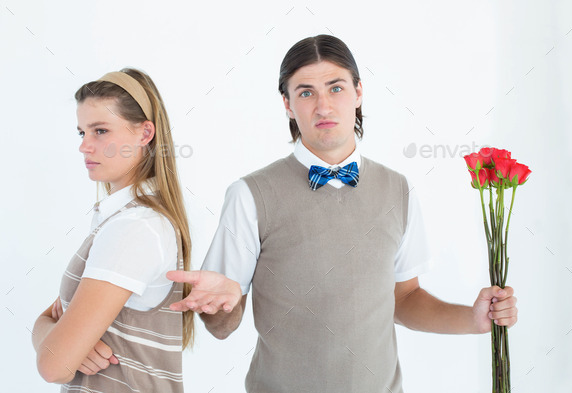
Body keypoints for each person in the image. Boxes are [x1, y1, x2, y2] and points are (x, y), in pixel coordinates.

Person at [167, 35, 518, 392]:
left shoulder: (398, 190)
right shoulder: (249, 195)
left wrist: (473, 319)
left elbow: (404, 299)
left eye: (335, 88)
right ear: (287, 104)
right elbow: (222, 328)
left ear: (359, 92)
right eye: (305, 93)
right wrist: (219, 310)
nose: (323, 106)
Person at [32, 68, 194, 392]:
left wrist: (44, 329)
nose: (85, 146)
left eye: (100, 131)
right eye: (82, 133)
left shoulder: (135, 228)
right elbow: (60, 343)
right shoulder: (122, 221)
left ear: (145, 133)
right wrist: (55, 335)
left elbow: (53, 365)